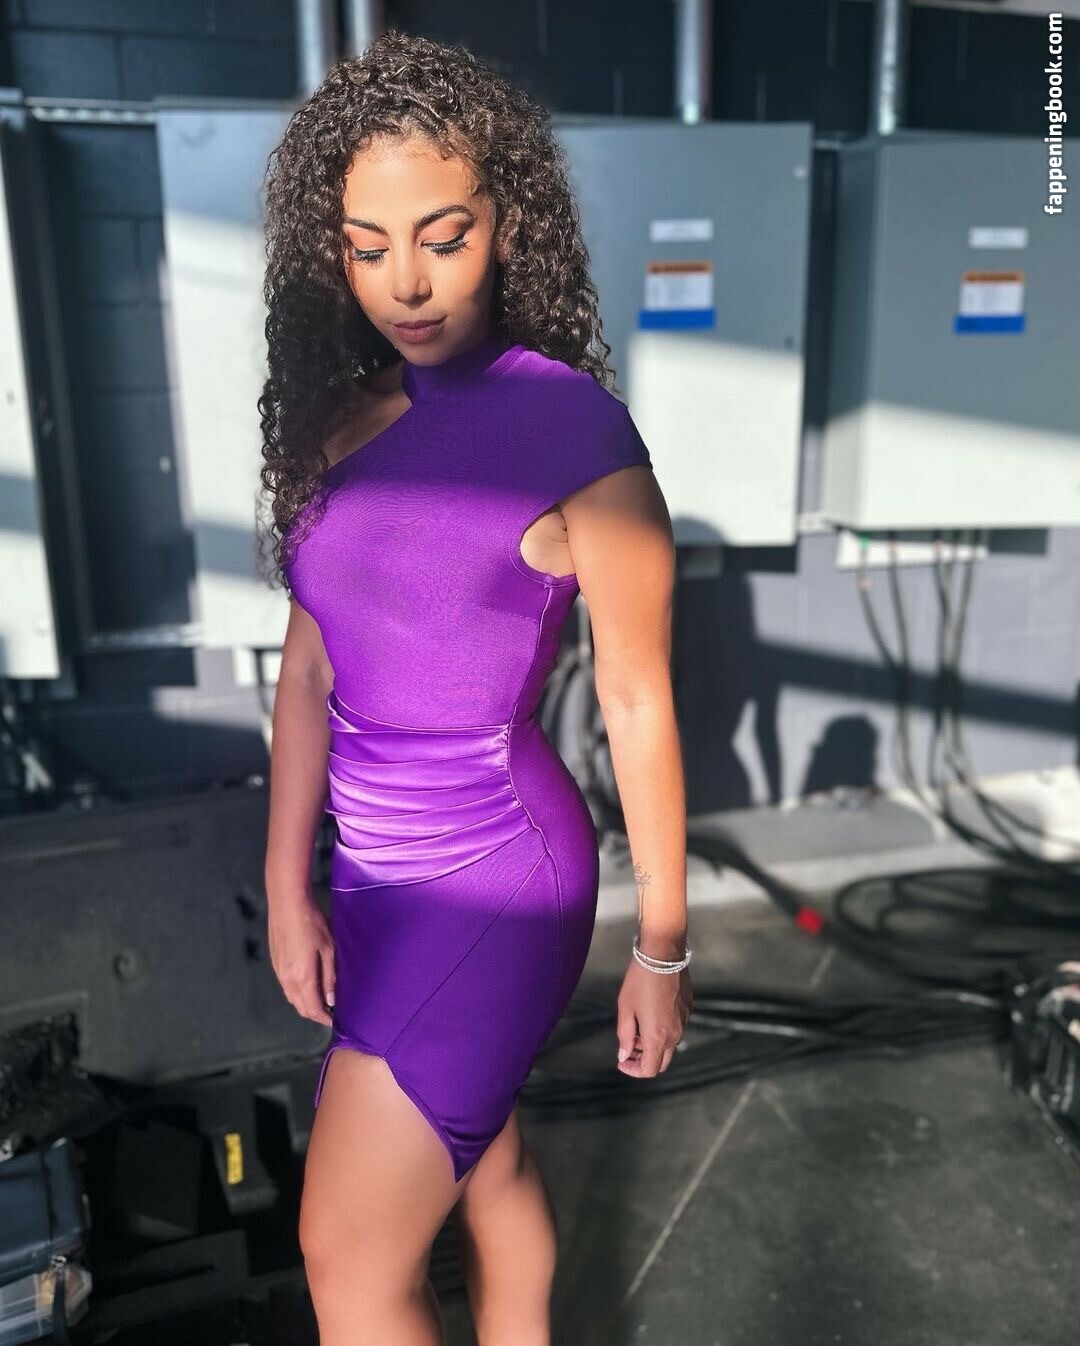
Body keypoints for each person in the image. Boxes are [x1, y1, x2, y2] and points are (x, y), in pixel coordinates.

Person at [259, 29, 691, 1346]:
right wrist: (286, 880)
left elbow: (637, 701)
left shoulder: (572, 429)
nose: (407, 281)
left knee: (346, 1258)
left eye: (443, 236)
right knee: (482, 1158)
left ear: (507, 222)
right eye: (367, 246)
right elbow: (310, 665)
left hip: (495, 869)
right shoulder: (339, 419)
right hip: (372, 871)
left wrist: (664, 945)